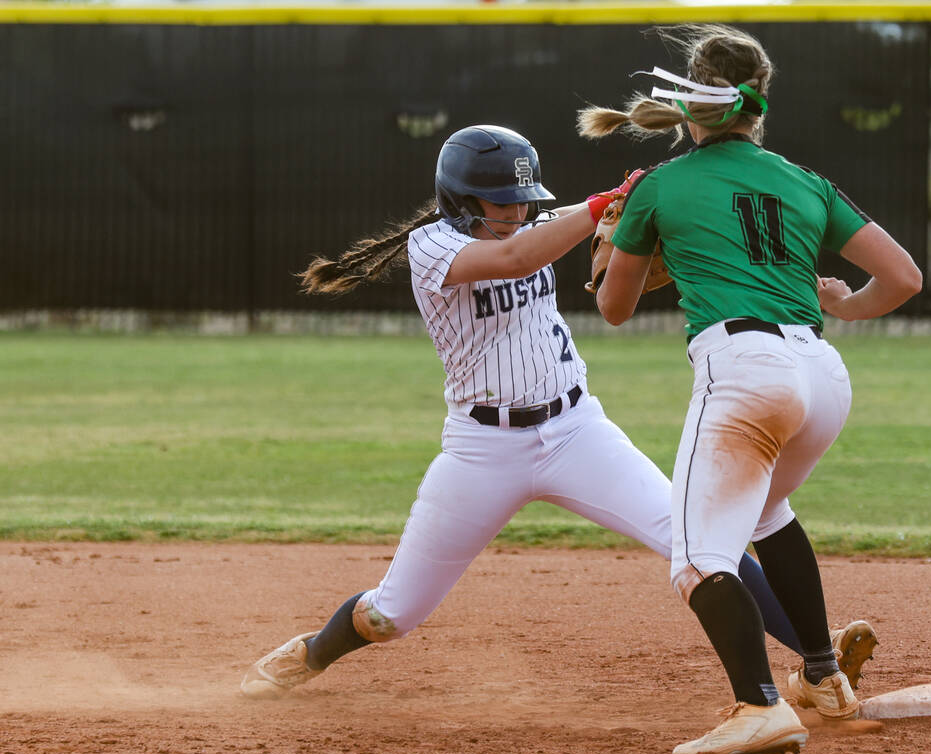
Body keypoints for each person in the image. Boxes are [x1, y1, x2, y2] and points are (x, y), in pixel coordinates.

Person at [239, 124, 836, 702]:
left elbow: (558, 228)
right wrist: (602, 203)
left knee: (698, 542)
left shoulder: (534, 223)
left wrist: (627, 208)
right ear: (460, 198)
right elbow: (516, 258)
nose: (518, 212)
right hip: (482, 450)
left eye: (524, 201)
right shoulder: (433, 246)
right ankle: (313, 653)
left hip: (577, 431)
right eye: (501, 202)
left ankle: (818, 659)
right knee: (391, 614)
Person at [577, 25, 921, 754]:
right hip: (822, 374)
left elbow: (612, 306)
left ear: (692, 103)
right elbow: (903, 279)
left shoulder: (661, 185)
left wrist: (612, 237)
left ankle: (758, 705)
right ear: (756, 105)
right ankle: (824, 679)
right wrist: (844, 303)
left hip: (745, 368)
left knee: (698, 560)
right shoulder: (803, 180)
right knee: (766, 510)